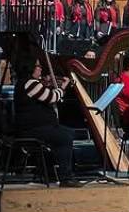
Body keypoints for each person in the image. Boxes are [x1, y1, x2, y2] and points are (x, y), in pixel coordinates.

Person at [12, 58, 81, 187]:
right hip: (32, 129)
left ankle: (50, 172)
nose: (40, 68)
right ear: (31, 69)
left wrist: (49, 85)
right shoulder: (30, 84)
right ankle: (65, 177)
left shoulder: (26, 83)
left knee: (67, 132)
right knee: (65, 136)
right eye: (37, 66)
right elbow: (51, 97)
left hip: (35, 127)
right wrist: (62, 87)